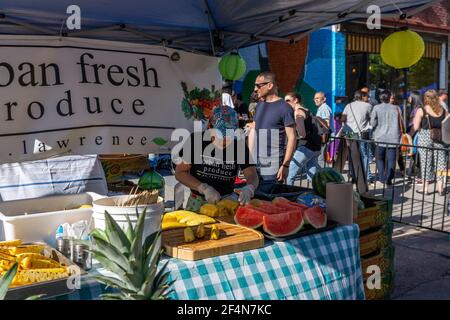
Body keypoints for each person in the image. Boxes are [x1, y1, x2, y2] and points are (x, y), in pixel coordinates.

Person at [174, 105, 259, 211]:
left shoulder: (239, 145)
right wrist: (203, 188)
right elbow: (180, 173)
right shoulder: (196, 140)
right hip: (198, 201)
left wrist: (249, 188)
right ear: (210, 128)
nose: (224, 140)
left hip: (227, 202)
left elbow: (252, 175)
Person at [251, 72, 296, 182]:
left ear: (270, 85)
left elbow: (292, 138)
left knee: (270, 197)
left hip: (273, 164)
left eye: (258, 85)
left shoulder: (285, 108)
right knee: (254, 197)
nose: (255, 89)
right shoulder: (259, 105)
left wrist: (285, 165)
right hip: (255, 161)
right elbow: (254, 130)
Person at [411, 89, 448, 196]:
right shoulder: (443, 110)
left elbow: (416, 126)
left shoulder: (422, 110)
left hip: (425, 137)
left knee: (426, 162)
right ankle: (441, 188)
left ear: (425, 98)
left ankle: (425, 188)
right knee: (440, 162)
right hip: (439, 137)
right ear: (436, 97)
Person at [284, 92, 321, 185]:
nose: (286, 103)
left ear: (296, 100)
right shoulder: (307, 110)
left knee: (289, 174)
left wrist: (291, 135)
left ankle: (289, 196)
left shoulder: (298, 112)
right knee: (313, 177)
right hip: (314, 147)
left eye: (288, 100)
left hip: (305, 148)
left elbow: (302, 134)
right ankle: (317, 196)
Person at [370, 90, 401, 186]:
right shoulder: (396, 108)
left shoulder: (376, 108)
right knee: (391, 159)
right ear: (389, 98)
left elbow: (372, 123)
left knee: (379, 158)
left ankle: (382, 178)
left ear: (380, 98)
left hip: (380, 137)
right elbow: (401, 122)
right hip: (393, 137)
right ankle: (389, 178)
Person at [342, 90, 374, 183]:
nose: (367, 98)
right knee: (364, 155)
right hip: (362, 133)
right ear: (362, 97)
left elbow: (343, 118)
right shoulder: (368, 106)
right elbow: (373, 119)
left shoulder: (349, 105)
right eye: (366, 96)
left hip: (350, 134)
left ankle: (353, 175)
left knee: (352, 155)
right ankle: (367, 176)